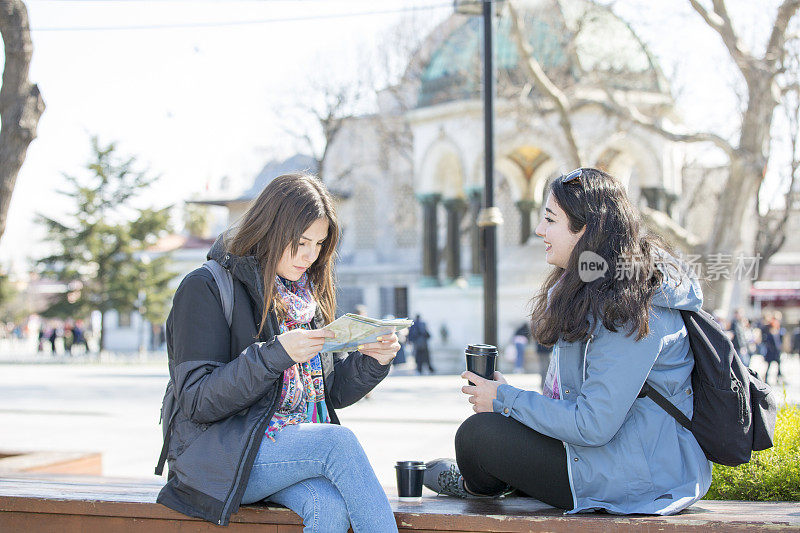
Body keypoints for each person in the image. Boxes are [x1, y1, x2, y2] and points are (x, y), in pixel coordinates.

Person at [423, 168, 711, 515]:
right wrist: (508, 400)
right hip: (605, 456)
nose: (539, 230)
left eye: (550, 220)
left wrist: (505, 399)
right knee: (488, 431)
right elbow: (575, 403)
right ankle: (499, 479)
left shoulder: (631, 307)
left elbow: (593, 425)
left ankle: (481, 486)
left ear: (586, 229)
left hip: (639, 476)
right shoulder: (591, 288)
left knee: (478, 437)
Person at [157, 173, 400, 532]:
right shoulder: (204, 287)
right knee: (338, 443)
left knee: (327, 506)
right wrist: (274, 356)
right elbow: (198, 400)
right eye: (301, 242)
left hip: (281, 448)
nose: (309, 255)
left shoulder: (305, 298)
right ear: (272, 228)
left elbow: (329, 393)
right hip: (217, 456)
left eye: (318, 244)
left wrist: (372, 362)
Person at [760, 310, 785, 384]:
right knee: (769, 365)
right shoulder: (769, 326)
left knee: (778, 365)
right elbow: (767, 339)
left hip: (776, 350)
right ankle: (766, 379)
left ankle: (778, 378)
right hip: (771, 350)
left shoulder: (777, 326)